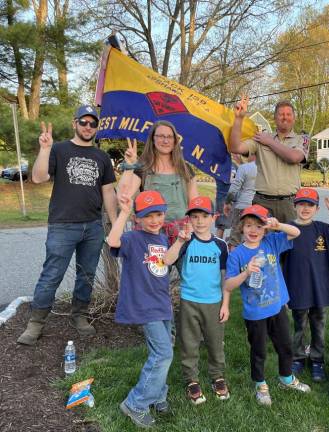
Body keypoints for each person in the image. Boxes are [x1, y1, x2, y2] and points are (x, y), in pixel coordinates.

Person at [17, 105, 118, 346]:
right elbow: (39, 178)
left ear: (96, 127)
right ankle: (36, 323)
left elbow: (108, 193)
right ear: (75, 123)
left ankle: (79, 316)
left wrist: (115, 224)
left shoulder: (101, 157)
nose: (88, 127)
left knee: (87, 275)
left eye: (92, 124)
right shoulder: (59, 149)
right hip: (62, 225)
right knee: (52, 275)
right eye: (83, 122)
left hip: (93, 226)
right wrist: (44, 149)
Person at [107, 190, 189, 428]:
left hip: (162, 303)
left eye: (158, 214)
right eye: (148, 216)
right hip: (144, 306)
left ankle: (158, 396)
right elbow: (112, 241)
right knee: (162, 354)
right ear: (138, 219)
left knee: (166, 349)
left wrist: (181, 241)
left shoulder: (162, 238)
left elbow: (168, 261)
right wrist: (123, 213)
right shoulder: (133, 239)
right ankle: (136, 403)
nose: (154, 220)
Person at [224, 204, 311, 406]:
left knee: (285, 346)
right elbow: (228, 285)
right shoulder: (237, 254)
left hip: (277, 307)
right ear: (241, 228)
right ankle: (260, 384)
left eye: (258, 226)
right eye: (248, 226)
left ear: (265, 229)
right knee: (259, 351)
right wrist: (246, 273)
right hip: (255, 313)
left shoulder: (271, 242)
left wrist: (278, 225)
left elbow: (296, 232)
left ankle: (286, 378)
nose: (253, 230)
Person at [283, 188, 329, 381]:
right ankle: (298, 358)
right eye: (302, 204)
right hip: (297, 287)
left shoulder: (323, 229)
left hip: (320, 288)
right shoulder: (288, 229)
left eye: (310, 205)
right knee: (299, 325)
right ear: (295, 206)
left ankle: (317, 360)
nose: (305, 208)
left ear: (316, 208)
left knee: (318, 325)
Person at [176, 196, 231, 405]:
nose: (199, 221)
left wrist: (225, 304)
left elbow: (225, 277)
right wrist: (180, 240)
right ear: (189, 219)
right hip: (189, 300)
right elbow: (170, 261)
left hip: (214, 301)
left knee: (215, 342)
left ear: (213, 217)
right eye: (195, 217)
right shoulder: (186, 242)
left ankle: (217, 376)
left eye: (204, 216)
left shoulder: (220, 245)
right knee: (189, 342)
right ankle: (191, 379)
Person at [229, 96, 309, 222]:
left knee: (290, 241)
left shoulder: (302, 139)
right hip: (262, 202)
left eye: (288, 114)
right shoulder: (261, 138)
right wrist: (239, 118)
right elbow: (236, 148)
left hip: (290, 204)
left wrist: (270, 142)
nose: (285, 117)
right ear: (275, 118)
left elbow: (294, 157)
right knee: (262, 241)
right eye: (281, 114)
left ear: (294, 118)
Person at [118, 120, 198, 243]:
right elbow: (123, 194)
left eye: (169, 137)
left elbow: (195, 204)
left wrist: (192, 228)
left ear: (175, 141)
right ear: (152, 139)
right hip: (150, 232)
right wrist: (130, 166)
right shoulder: (143, 168)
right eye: (160, 136)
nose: (165, 141)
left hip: (181, 233)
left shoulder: (186, 169)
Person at [223, 154, 257, 249]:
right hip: (258, 207)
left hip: (242, 205)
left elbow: (234, 189)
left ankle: (234, 262)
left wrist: (227, 202)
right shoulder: (266, 168)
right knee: (254, 237)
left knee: (235, 238)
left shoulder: (244, 168)